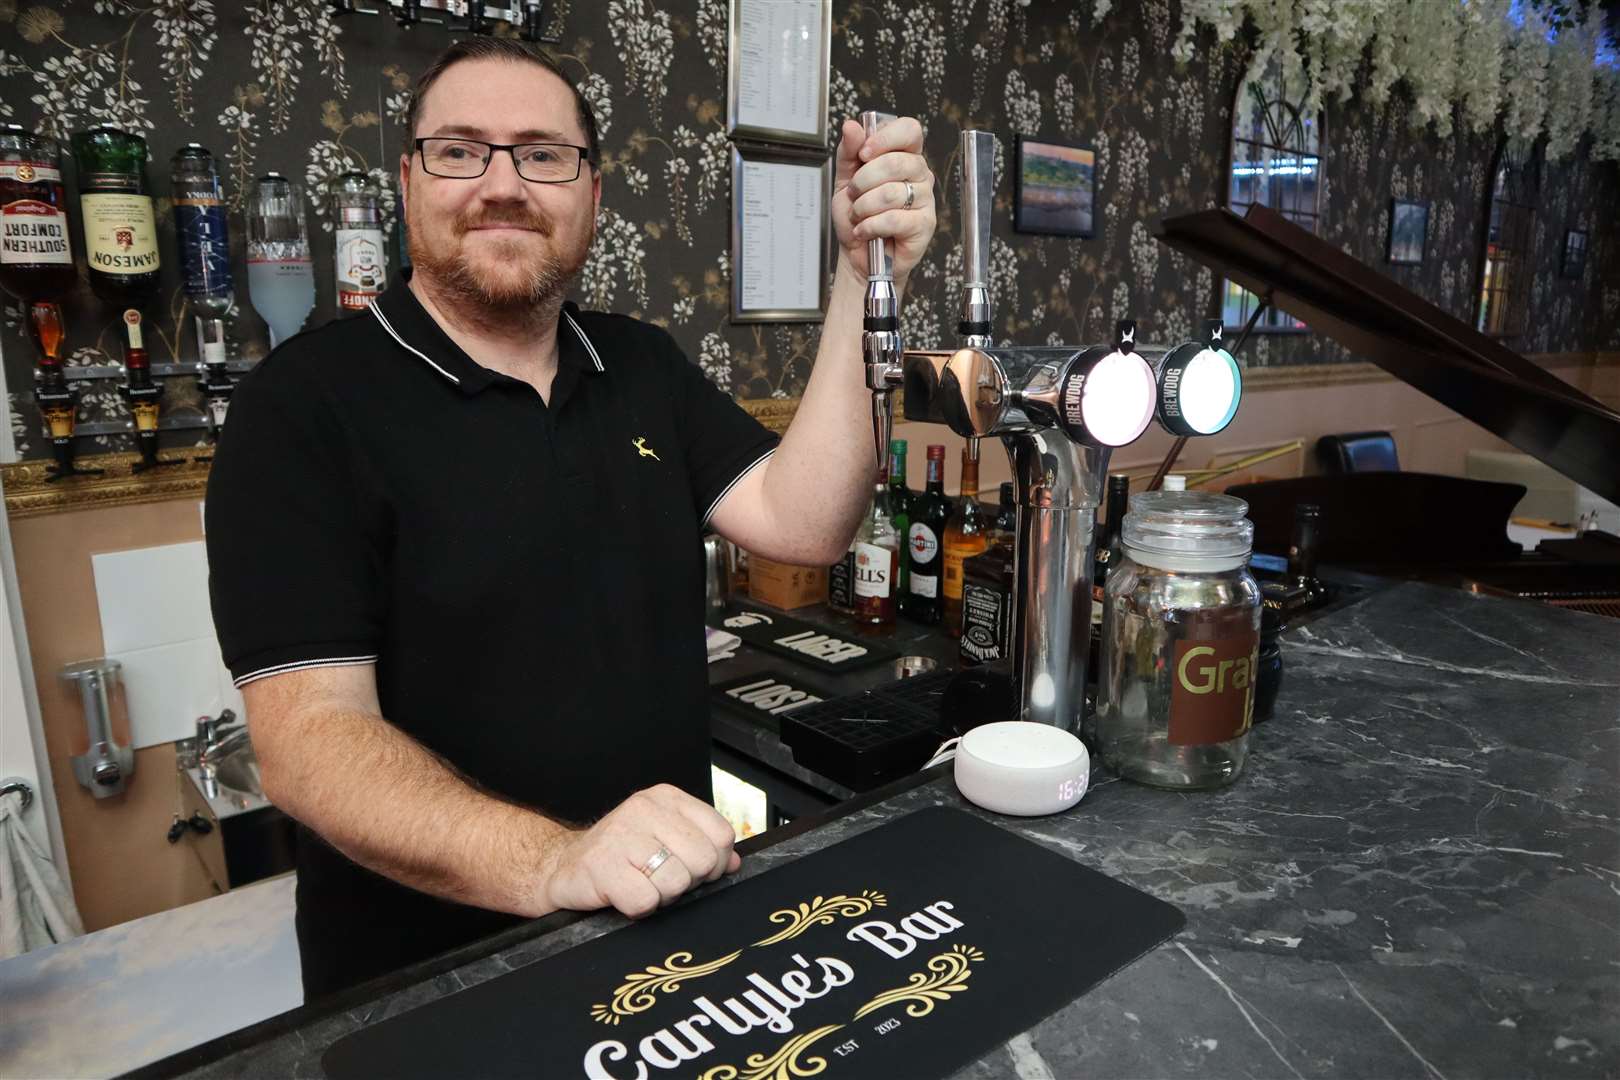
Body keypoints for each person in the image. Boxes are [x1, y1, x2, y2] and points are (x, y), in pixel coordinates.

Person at [205, 37, 938, 999]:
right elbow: (311, 747)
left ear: (591, 193)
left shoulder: (639, 364)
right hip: (431, 982)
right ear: (409, 180)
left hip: (664, 932)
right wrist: (558, 862)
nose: (503, 184)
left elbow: (804, 526)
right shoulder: (301, 404)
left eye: (544, 154)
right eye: (462, 149)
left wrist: (859, 275)